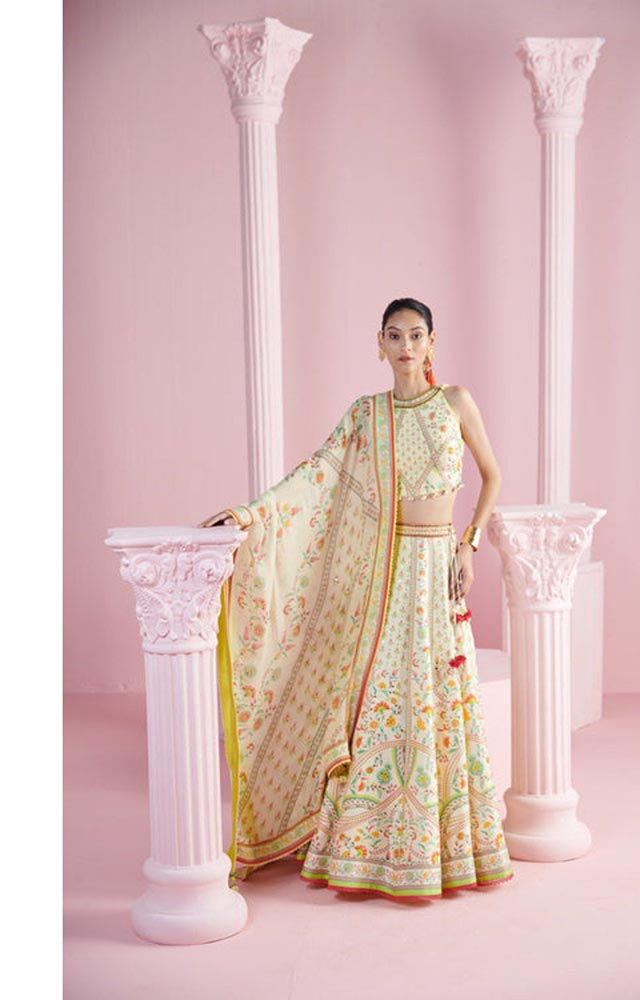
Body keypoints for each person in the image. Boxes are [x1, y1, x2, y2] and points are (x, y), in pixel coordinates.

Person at [199, 297, 514, 900]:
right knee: (385, 697)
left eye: (416, 335)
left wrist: (469, 544)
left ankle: (443, 843)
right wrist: (249, 514)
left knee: (437, 693)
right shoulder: (367, 415)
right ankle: (365, 843)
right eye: (394, 336)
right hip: (387, 570)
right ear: (380, 344)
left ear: (432, 342)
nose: (405, 347)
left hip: (438, 564)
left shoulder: (455, 402)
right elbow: (315, 476)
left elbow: (492, 474)